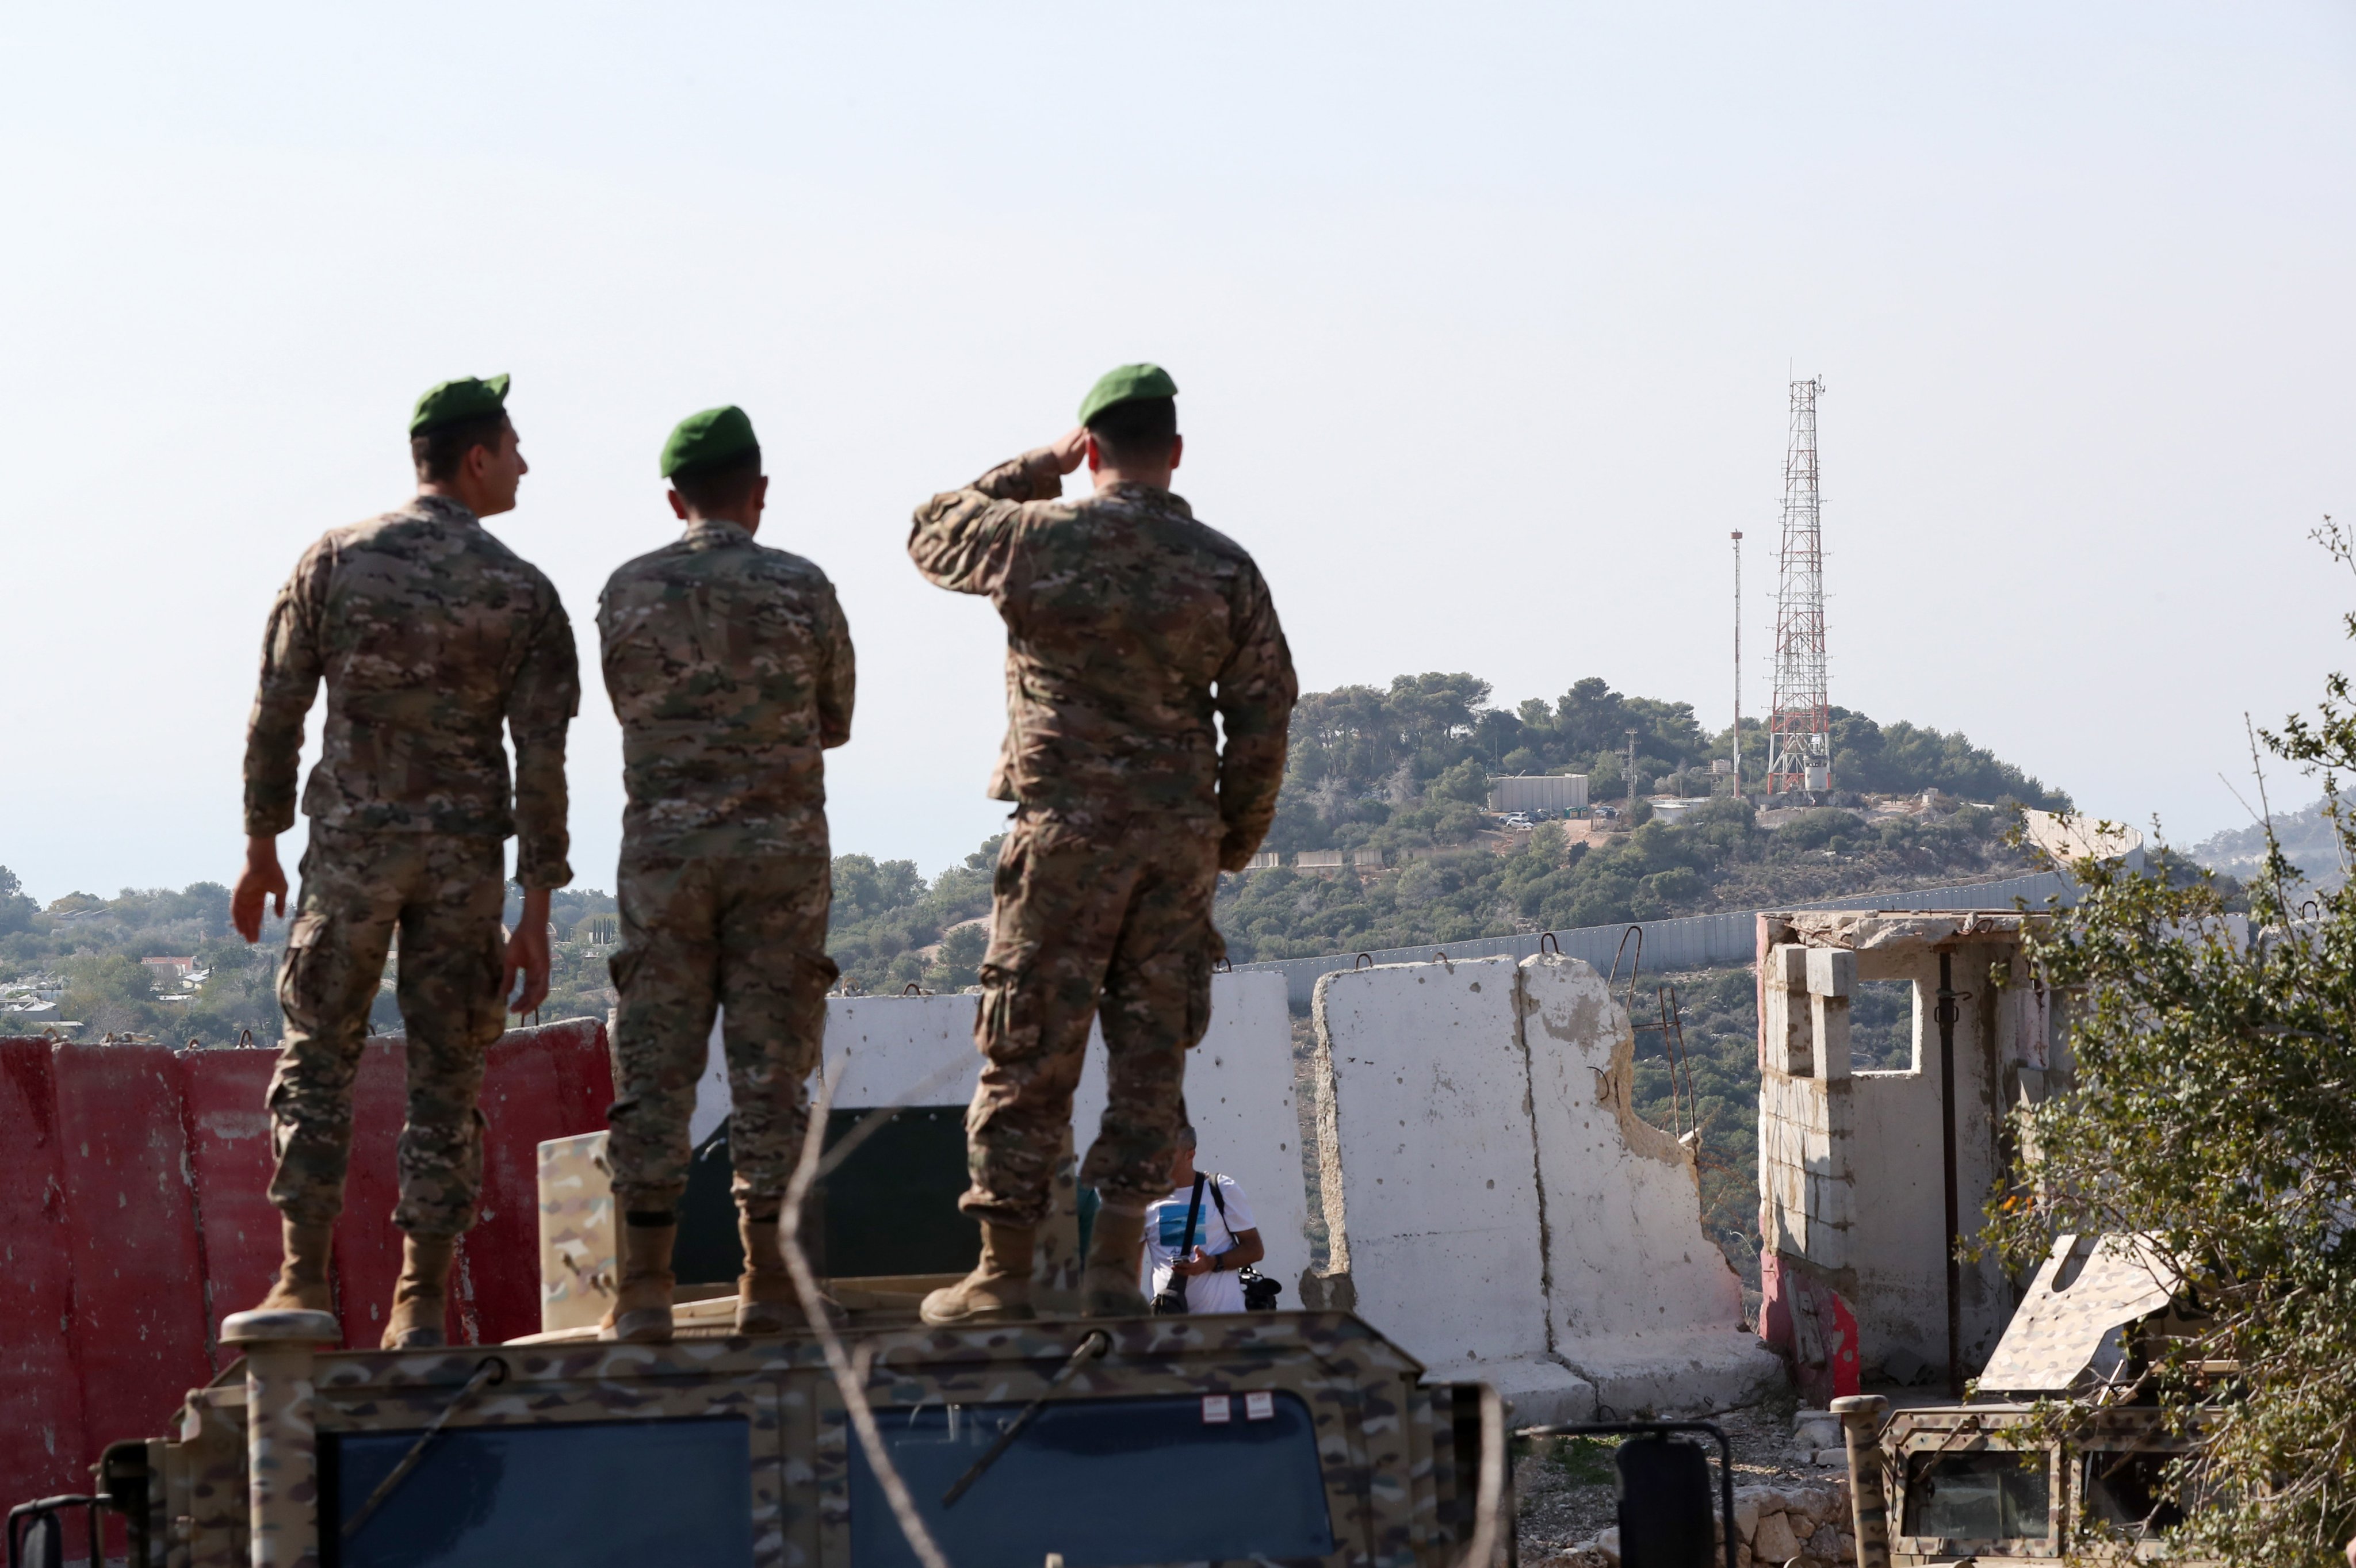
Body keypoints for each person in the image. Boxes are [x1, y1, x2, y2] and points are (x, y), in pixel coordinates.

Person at [909, 364, 1297, 1324]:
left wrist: (1032, 467)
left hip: (1065, 836)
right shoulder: (1222, 568)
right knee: (1149, 1056)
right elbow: (1262, 715)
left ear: (1091, 452)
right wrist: (1229, 842)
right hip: (1173, 846)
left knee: (1027, 1046)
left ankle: (1002, 1272)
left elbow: (930, 532)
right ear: (1174, 450)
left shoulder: (1036, 539)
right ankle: (1118, 1270)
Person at [233, 374, 578, 1348]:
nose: (523, 464)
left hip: (350, 854)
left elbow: (278, 711)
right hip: (462, 866)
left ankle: (302, 1279)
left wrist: (261, 848)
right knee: (448, 1077)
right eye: (514, 447)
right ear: (476, 457)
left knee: (317, 1055)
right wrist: (536, 913)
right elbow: (542, 762)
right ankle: (419, 1301)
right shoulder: (523, 592)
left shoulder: (335, 561)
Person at [595, 406, 854, 1342]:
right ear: (760, 491)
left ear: (673, 499)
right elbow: (835, 717)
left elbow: (629, 709)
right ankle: (769, 1286)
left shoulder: (627, 590)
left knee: (656, 1071)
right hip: (777, 861)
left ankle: (643, 1293)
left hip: (665, 864)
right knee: (770, 1074)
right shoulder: (803, 586)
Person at [1143, 1126, 1264, 1314]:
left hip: (1223, 1325)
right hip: (1167, 1327)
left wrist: (1212, 1263)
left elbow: (1255, 1250)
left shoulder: (1222, 1190)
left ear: (1190, 1155)